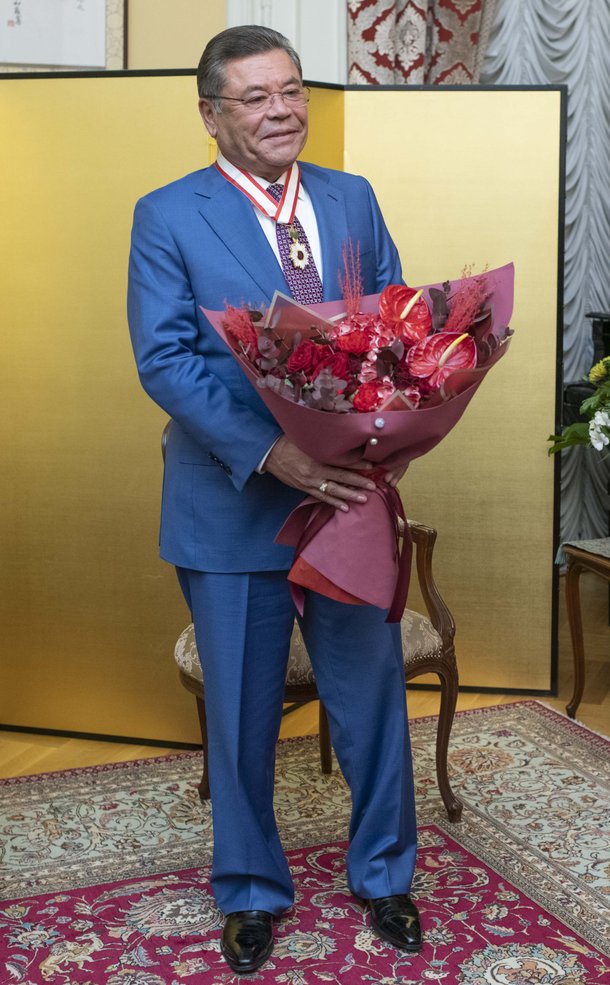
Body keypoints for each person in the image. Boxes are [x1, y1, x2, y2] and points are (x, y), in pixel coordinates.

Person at [127, 25, 421, 975]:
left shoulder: (352, 197)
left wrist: (389, 429)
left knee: (370, 698)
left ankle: (385, 874)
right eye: (255, 97)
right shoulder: (167, 214)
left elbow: (396, 331)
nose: (281, 110)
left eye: (290, 90)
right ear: (211, 113)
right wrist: (274, 453)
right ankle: (251, 890)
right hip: (230, 502)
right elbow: (165, 360)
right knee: (245, 713)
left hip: (347, 498)